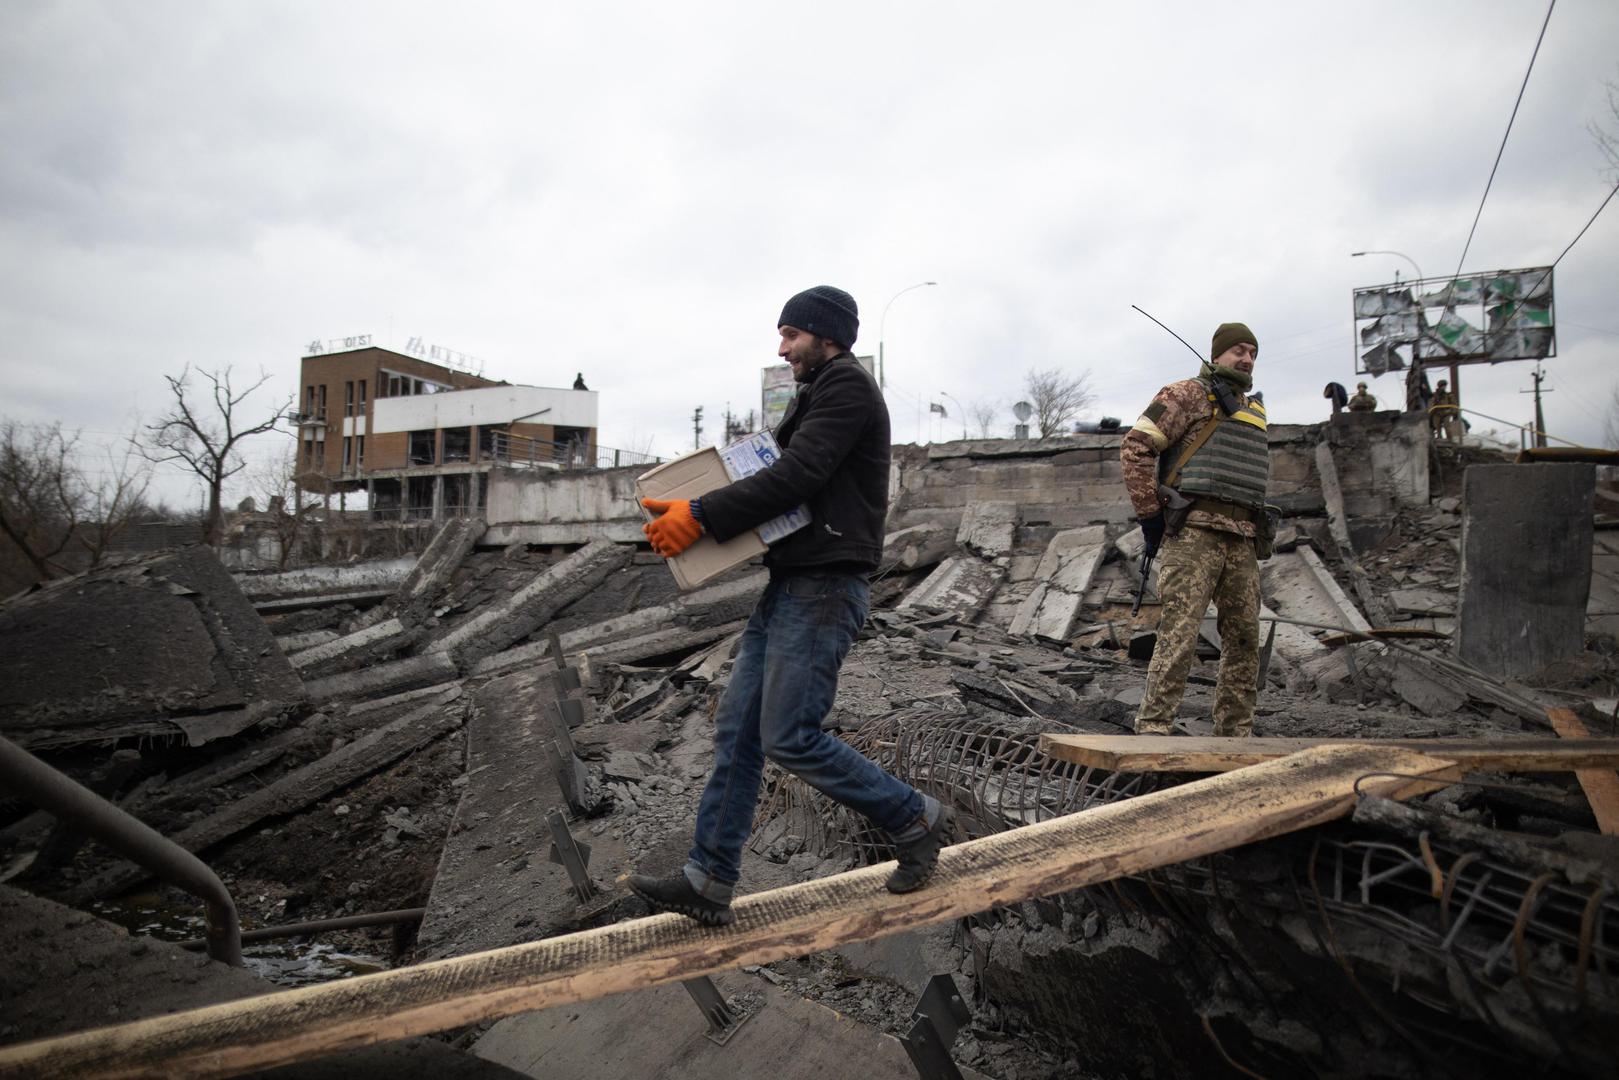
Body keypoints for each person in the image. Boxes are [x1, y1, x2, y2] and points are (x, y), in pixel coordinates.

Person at [630, 286, 955, 925]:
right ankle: (709, 878)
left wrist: (698, 514)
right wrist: (697, 503)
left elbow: (796, 476)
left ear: (826, 335)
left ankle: (912, 816)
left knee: (789, 736)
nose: (782, 349)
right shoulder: (815, 393)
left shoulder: (848, 389)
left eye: (791, 335)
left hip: (827, 585)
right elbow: (766, 473)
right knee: (740, 731)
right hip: (793, 581)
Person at [1121, 322, 1269, 738]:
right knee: (1179, 634)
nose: (1246, 358)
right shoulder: (1184, 394)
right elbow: (1136, 446)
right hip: (1194, 533)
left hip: (1241, 537)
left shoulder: (1254, 409)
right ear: (1217, 354)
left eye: (1253, 352)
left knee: (1244, 640)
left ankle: (1235, 735)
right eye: (1238, 350)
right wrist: (1150, 515)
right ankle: (1153, 729)